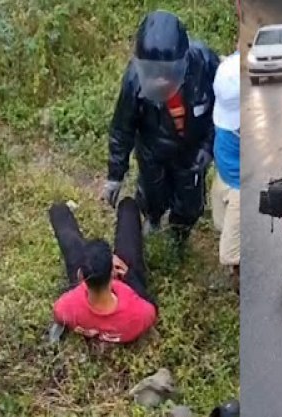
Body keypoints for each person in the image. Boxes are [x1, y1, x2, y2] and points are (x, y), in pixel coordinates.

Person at [102, 11, 220, 247]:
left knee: (189, 204)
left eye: (167, 72)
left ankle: (179, 236)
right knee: (152, 193)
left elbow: (222, 111)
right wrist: (115, 176)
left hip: (192, 151)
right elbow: (122, 129)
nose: (161, 80)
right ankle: (153, 220)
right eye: (153, 72)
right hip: (152, 149)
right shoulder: (134, 79)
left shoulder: (206, 64)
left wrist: (209, 147)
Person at [50, 198, 157, 344]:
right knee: (128, 211)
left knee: (72, 246)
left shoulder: (67, 306)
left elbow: (59, 313)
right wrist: (129, 276)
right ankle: (127, 204)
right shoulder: (139, 313)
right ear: (113, 273)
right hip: (125, 285)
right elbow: (151, 307)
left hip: (87, 291)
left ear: (81, 275)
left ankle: (58, 209)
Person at [210, 51, 240, 285]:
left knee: (230, 252)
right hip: (223, 174)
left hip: (239, 185)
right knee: (220, 225)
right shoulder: (227, 70)